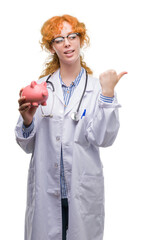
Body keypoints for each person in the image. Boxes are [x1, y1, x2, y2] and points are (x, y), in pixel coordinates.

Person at [15, 14, 127, 240]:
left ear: (80, 40)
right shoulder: (40, 87)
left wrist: (107, 95)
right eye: (59, 39)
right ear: (51, 47)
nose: (67, 43)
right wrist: (27, 120)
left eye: (72, 36)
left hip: (82, 192)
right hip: (47, 191)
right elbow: (27, 145)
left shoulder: (97, 89)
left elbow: (103, 139)